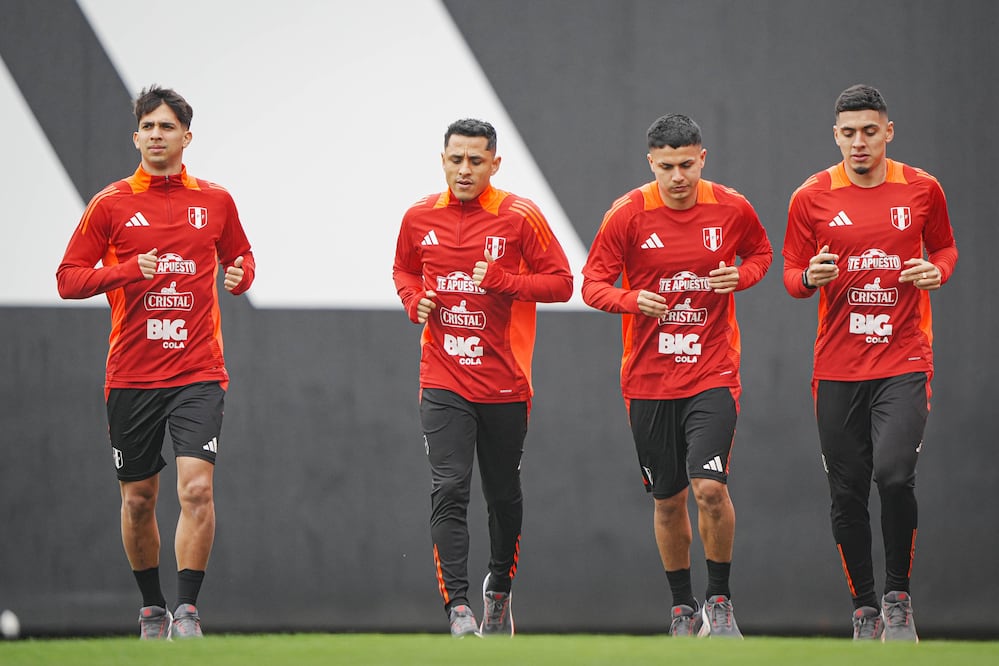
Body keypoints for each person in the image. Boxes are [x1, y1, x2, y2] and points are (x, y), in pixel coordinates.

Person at [56, 86, 256, 640]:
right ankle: (152, 608)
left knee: (195, 489)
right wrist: (126, 270)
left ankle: (187, 611)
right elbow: (68, 279)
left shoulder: (215, 200)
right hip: (132, 374)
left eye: (167, 127)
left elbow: (240, 255)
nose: (156, 136)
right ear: (135, 136)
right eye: (147, 127)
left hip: (198, 371)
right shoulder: (111, 203)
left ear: (186, 137)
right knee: (139, 497)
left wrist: (241, 275)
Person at [582, 114, 772, 638]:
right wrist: (629, 299)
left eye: (687, 164)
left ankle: (721, 601)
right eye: (666, 167)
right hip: (647, 380)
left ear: (702, 158)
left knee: (709, 487)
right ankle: (682, 609)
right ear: (651, 163)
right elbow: (592, 284)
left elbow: (760, 254)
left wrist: (743, 275)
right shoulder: (626, 213)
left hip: (712, 372)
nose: (678, 177)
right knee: (668, 500)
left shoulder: (731, 206)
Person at [782, 84, 957, 641]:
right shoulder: (810, 196)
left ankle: (898, 597)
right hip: (837, 368)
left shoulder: (923, 189)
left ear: (889, 131)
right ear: (836, 136)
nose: (859, 143)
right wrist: (811, 276)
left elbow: (946, 249)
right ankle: (864, 609)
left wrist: (939, 271)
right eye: (848, 133)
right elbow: (790, 274)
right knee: (848, 489)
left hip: (903, 359)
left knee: (894, 472)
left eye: (870, 131)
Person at [392, 119, 573, 637]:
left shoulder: (519, 215)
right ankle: (459, 609)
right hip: (443, 378)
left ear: (495, 163)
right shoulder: (418, 216)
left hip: (505, 383)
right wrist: (413, 300)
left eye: (476, 160)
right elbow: (404, 270)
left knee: (502, 495)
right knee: (449, 486)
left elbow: (562, 283)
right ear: (443, 159)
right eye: (456, 159)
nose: (464, 170)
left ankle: (498, 590)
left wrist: (502, 282)